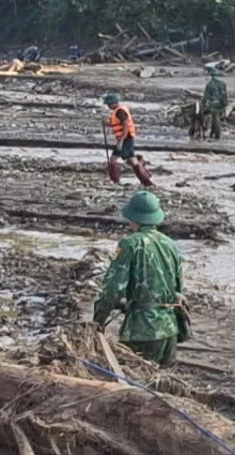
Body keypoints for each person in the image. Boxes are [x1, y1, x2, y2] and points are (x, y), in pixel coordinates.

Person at [93, 191, 184, 367]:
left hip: (142, 331)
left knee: (134, 384)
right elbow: (178, 289)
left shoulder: (130, 244)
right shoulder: (170, 244)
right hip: (170, 329)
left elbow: (113, 288)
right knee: (162, 385)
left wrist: (98, 322)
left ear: (133, 217)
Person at [102, 93, 154, 187]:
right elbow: (118, 124)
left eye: (109, 104)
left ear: (113, 103)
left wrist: (121, 141)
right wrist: (107, 123)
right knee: (132, 160)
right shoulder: (119, 110)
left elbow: (125, 125)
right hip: (127, 138)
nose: (108, 106)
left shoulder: (120, 111)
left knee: (113, 159)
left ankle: (115, 181)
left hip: (125, 139)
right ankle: (146, 180)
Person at [202, 67, 228, 140]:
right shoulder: (223, 83)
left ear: (211, 75)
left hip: (214, 104)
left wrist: (203, 105)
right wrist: (225, 104)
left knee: (215, 119)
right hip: (222, 103)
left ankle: (217, 135)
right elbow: (225, 95)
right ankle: (213, 133)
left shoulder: (209, 84)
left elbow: (206, 97)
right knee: (215, 118)